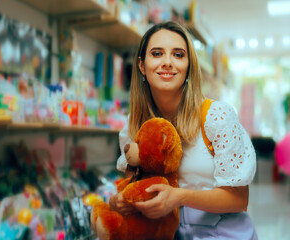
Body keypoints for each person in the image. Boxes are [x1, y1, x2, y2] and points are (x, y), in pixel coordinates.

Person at [110, 21, 258, 239]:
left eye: (178, 55)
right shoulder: (135, 124)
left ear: (189, 66)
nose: (168, 62)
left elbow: (239, 200)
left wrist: (179, 197)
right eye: (157, 53)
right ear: (142, 65)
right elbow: (132, 186)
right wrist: (118, 202)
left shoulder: (216, 116)